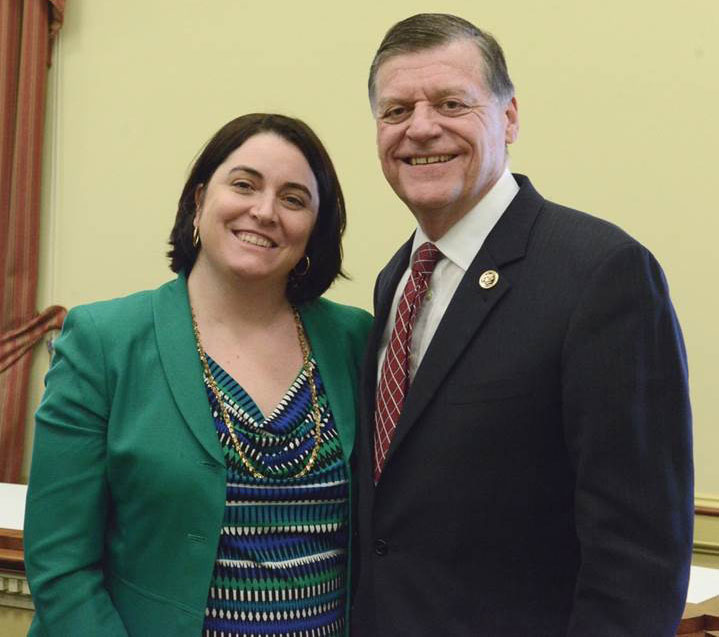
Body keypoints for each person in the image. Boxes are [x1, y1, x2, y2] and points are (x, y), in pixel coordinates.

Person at [351, 13, 693, 636]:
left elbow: (638, 553)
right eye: (396, 111)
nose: (420, 127)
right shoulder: (397, 280)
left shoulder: (600, 273)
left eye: (451, 103)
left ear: (509, 119)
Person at [24, 113, 372, 637]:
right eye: (244, 185)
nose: (264, 210)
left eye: (294, 199)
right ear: (199, 199)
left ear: (315, 231)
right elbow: (60, 562)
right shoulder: (104, 340)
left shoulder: (355, 340)